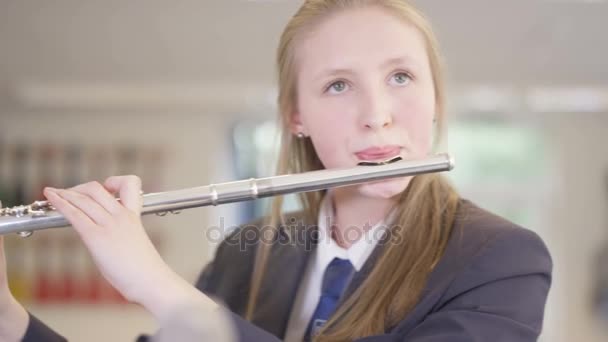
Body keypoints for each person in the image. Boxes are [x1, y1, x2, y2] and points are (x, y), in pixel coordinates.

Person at [0, 1, 553, 341]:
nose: (377, 115)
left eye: (402, 77)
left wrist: (155, 282)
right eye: (339, 84)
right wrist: (9, 320)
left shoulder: (502, 260)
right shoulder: (247, 251)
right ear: (297, 116)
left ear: (435, 97)